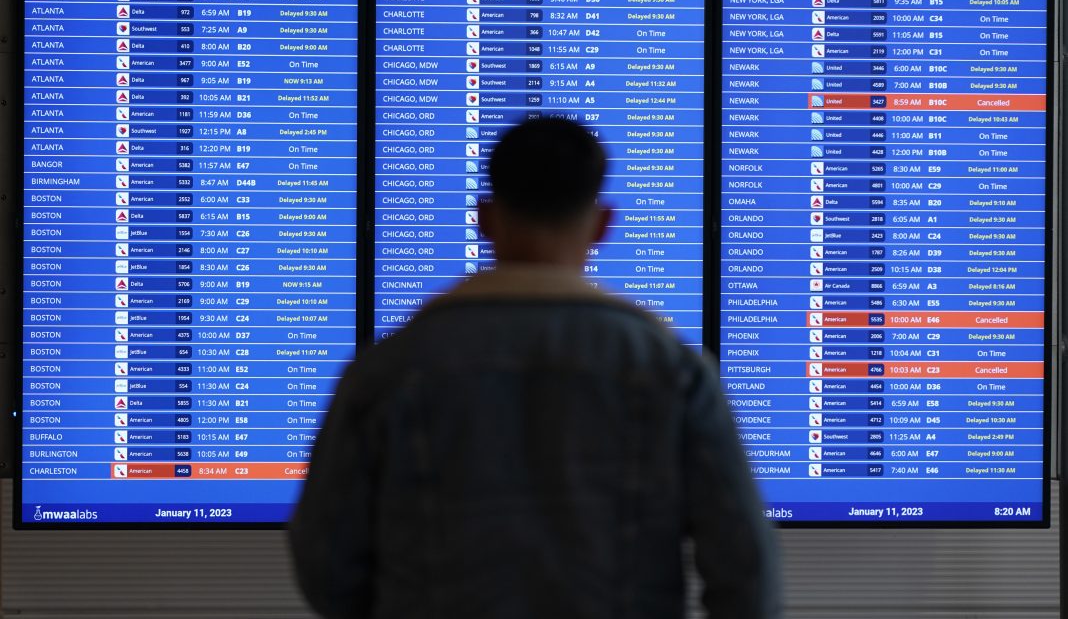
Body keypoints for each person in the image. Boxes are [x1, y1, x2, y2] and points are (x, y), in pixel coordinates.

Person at [289, 117, 781, 618]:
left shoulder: (387, 371)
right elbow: (746, 569)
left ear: (484, 217)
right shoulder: (670, 370)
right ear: (602, 224)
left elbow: (325, 564)